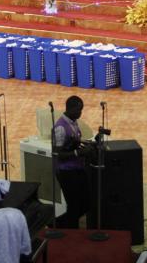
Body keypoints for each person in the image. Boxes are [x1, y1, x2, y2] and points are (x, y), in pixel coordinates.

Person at [52, 95, 91, 229]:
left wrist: (84, 143)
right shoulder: (60, 128)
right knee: (74, 206)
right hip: (66, 171)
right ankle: (69, 232)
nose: (80, 113)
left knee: (85, 202)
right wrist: (78, 153)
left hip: (76, 168)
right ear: (70, 109)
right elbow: (57, 153)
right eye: (79, 110)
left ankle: (57, 223)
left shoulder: (72, 122)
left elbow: (72, 141)